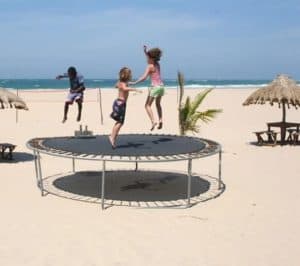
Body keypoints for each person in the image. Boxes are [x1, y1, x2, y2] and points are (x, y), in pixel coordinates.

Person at [130, 45, 164, 130]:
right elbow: (151, 56)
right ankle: (160, 120)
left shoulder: (150, 66)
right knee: (158, 104)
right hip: (161, 87)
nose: (146, 59)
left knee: (147, 105)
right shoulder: (157, 64)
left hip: (154, 87)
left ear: (151, 58)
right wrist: (145, 51)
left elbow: (144, 77)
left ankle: (153, 121)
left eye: (147, 58)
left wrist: (135, 82)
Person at [109, 67, 141, 148]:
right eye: (130, 75)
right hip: (120, 104)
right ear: (127, 76)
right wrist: (134, 89)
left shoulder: (121, 82)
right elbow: (124, 88)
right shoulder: (123, 84)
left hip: (118, 103)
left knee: (119, 122)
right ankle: (112, 137)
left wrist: (129, 83)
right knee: (120, 122)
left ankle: (113, 137)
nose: (131, 76)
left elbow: (116, 86)